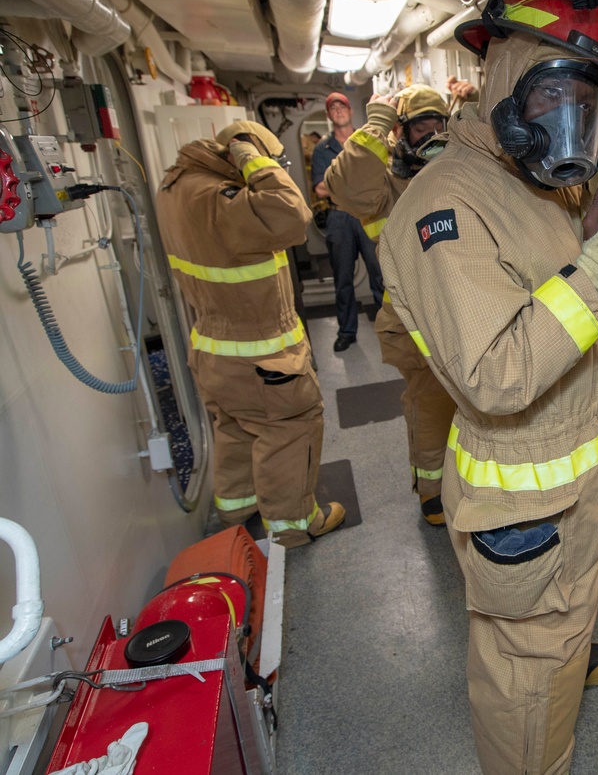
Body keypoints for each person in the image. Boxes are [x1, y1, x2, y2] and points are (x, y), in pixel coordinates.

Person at [377, 0, 598, 775]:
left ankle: (564, 649)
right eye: (557, 97)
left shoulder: (528, 177)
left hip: (569, 490)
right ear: (504, 79)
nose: (572, 125)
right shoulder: (447, 206)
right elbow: (498, 370)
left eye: (589, 106)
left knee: (554, 640)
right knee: (524, 690)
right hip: (524, 509)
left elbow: (562, 255)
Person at [155, 120, 345, 548]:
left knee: (236, 428)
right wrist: (249, 154)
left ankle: (237, 506)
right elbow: (293, 217)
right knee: (288, 431)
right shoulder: (223, 199)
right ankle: (294, 525)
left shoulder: (176, 188)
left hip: (211, 349)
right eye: (271, 161)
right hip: (260, 353)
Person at [323, 84, 457, 526]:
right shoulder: (383, 180)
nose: (434, 132)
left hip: (463, 302)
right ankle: (432, 491)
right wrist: (375, 124)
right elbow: (342, 186)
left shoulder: (460, 166)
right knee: (431, 401)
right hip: (413, 311)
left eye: (440, 122)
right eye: (422, 124)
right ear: (402, 131)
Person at [312, 91, 384, 352]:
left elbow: (379, 173)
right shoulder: (323, 148)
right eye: (333, 108)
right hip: (339, 217)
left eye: (342, 106)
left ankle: (392, 329)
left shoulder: (364, 141)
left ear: (351, 111)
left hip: (367, 214)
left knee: (380, 274)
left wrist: (341, 184)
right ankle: (347, 332)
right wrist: (356, 186)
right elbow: (320, 188)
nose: (339, 111)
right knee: (343, 278)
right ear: (329, 115)